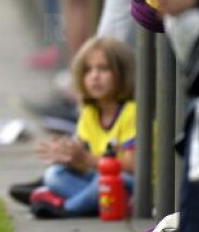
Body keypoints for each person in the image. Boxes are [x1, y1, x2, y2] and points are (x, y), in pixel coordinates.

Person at [12, 36, 137, 219]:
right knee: (55, 174)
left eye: (103, 69)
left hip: (130, 184)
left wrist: (86, 159)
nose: (94, 76)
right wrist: (68, 157)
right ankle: (90, 203)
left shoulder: (131, 113)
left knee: (109, 182)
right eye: (88, 70)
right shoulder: (89, 111)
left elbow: (132, 166)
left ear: (123, 74)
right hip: (100, 181)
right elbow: (83, 158)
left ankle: (66, 207)